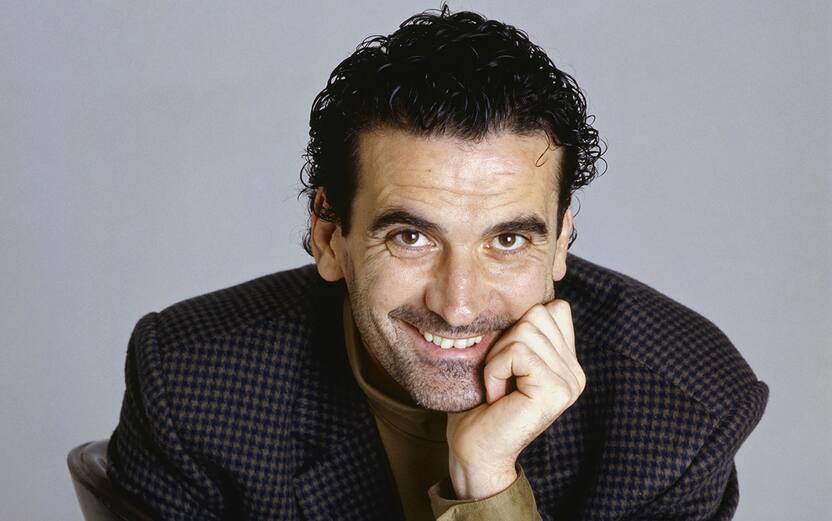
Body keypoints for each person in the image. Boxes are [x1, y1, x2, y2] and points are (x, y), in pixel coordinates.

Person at [107, 6, 767, 521]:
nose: (457, 302)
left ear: (562, 241)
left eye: (507, 240)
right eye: (410, 238)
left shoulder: (681, 412)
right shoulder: (194, 384)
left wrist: (487, 482)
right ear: (329, 234)